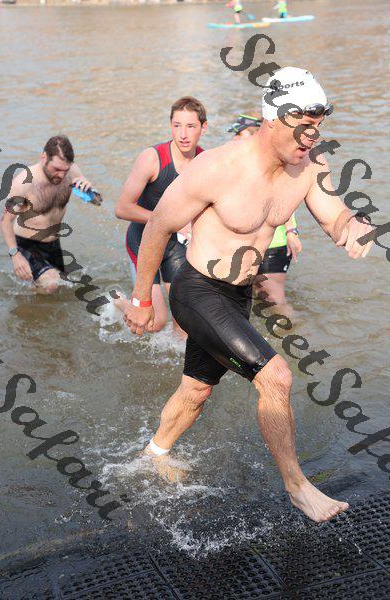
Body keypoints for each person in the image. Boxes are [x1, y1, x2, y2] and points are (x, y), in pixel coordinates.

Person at [117, 67, 375, 523]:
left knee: (196, 390)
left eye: (318, 127)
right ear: (272, 120)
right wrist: (141, 300)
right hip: (197, 290)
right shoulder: (217, 167)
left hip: (238, 296)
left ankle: (151, 455)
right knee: (276, 378)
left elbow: (333, 216)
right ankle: (297, 487)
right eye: (304, 127)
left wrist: (352, 226)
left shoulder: (309, 166)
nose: (312, 137)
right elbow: (157, 226)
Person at [115, 96, 207, 333]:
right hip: (142, 241)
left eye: (191, 126)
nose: (183, 134)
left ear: (203, 128)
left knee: (184, 322)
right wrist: (171, 223)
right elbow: (122, 208)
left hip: (175, 245)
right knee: (155, 323)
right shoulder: (152, 158)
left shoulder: (205, 162)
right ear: (170, 126)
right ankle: (121, 303)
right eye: (177, 126)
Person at [0, 135, 95, 294]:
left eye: (65, 170)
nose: (61, 175)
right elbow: (5, 221)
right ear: (44, 157)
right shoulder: (24, 183)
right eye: (56, 169)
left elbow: (96, 201)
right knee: (52, 284)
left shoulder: (72, 171)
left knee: (61, 289)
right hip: (27, 244)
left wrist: (90, 191)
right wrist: (15, 255)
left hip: (53, 244)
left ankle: (28, 302)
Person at [228, 113, 302, 309]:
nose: (234, 140)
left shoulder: (272, 164)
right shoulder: (234, 164)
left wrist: (291, 231)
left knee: (274, 299)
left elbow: (284, 199)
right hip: (243, 243)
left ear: (256, 136)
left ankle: (292, 326)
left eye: (240, 134)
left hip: (273, 243)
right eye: (234, 135)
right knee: (248, 296)